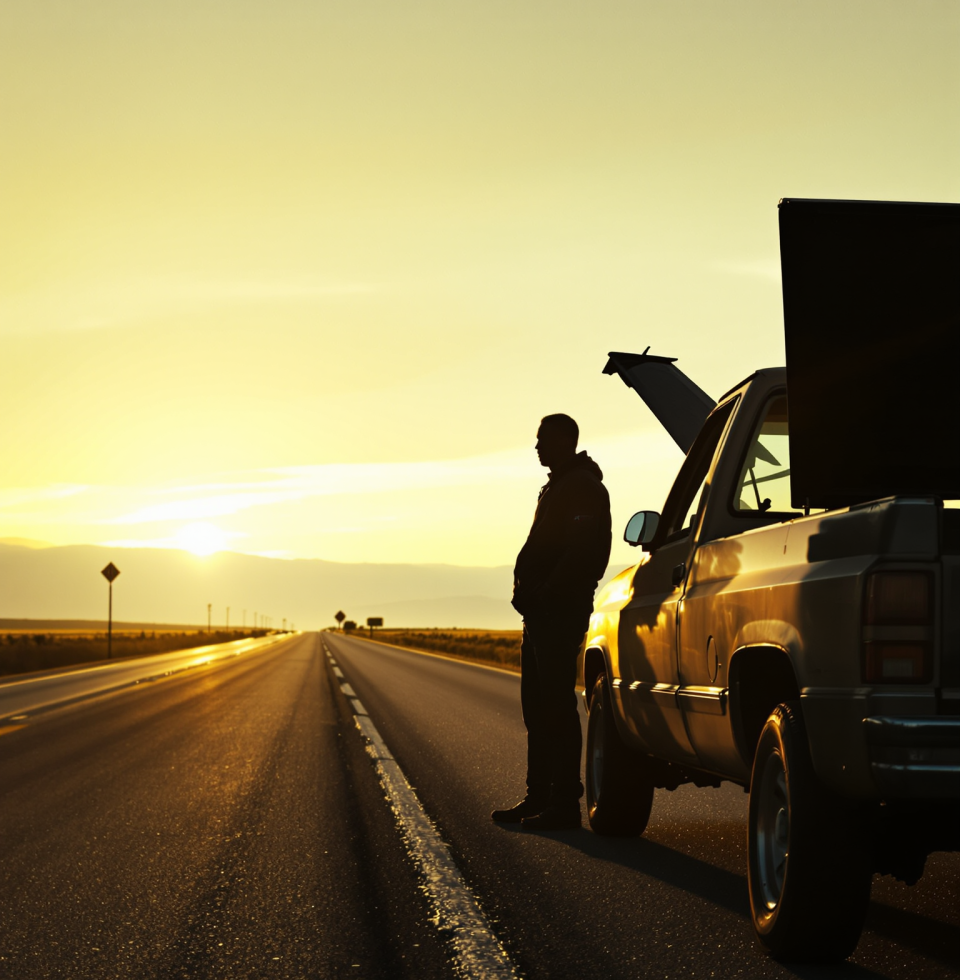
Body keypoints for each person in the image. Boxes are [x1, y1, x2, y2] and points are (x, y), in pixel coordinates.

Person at [493, 413, 611, 831]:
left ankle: (563, 805)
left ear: (565, 440)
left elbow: (580, 555)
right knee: (538, 708)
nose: (537, 446)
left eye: (543, 439)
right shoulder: (561, 483)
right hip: (542, 613)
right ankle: (538, 796)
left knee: (556, 708)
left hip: (558, 614)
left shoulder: (581, 486)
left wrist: (542, 594)